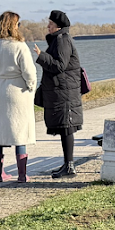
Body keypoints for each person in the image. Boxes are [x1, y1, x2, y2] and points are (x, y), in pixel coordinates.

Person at [0, 11, 39, 184]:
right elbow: (29, 72)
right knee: (19, 131)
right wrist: (31, 86)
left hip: (1, 90)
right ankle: (22, 174)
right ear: (14, 26)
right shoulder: (19, 46)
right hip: (19, 91)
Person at [32, 10, 82, 178]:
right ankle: (67, 164)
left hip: (65, 93)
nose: (48, 26)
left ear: (58, 26)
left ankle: (69, 166)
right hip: (62, 91)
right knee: (64, 128)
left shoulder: (62, 40)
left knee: (66, 128)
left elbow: (59, 65)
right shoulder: (60, 40)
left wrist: (41, 56)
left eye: (51, 24)